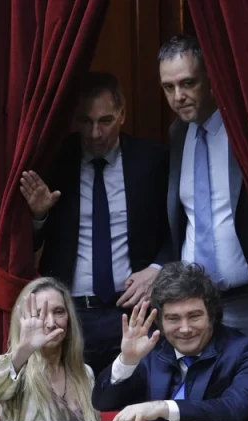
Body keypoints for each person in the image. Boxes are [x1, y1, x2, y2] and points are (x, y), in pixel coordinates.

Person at [157, 35, 248, 399]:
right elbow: (181, 217)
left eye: (188, 83)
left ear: (212, 78)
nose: (178, 96)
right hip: (191, 307)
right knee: (195, 402)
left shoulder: (246, 130)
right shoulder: (177, 134)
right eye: (168, 87)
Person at [20, 71, 170, 377]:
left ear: (123, 114)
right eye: (86, 122)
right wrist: (39, 216)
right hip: (70, 314)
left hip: (132, 310)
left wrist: (156, 269)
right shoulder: (56, 159)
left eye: (105, 121)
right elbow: (26, 243)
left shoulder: (152, 161)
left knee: (131, 402)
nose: (95, 133)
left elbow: (177, 229)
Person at [92, 262, 248, 421]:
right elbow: (103, 402)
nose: (184, 329)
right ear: (159, 322)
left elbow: (234, 408)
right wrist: (127, 361)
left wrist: (161, 407)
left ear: (212, 315)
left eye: (194, 316)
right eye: (173, 318)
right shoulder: (152, 352)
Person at [0, 277, 98, 421]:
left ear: (69, 319)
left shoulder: (85, 373)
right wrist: (23, 351)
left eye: (59, 312)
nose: (51, 323)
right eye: (40, 314)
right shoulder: (17, 369)